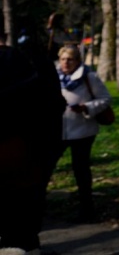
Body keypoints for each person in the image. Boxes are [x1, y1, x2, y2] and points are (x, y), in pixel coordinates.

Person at [0, 33, 65, 251]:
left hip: (24, 161)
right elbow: (56, 105)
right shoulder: (34, 62)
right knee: (24, 231)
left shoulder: (27, 63)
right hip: (32, 164)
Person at [55, 43, 112, 221]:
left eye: (70, 59)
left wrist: (86, 107)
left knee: (81, 169)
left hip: (83, 131)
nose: (66, 63)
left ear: (77, 61)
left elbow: (105, 99)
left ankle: (86, 209)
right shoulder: (54, 77)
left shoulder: (89, 77)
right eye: (63, 59)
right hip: (58, 130)